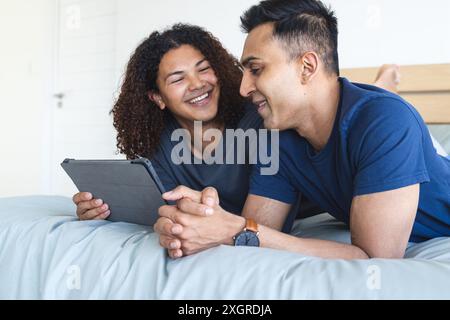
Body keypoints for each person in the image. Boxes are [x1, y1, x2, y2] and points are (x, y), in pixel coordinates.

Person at [156, 0, 450, 260]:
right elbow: (254, 233)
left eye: (256, 70)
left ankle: (386, 80)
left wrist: (235, 229)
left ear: (307, 67)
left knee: (385, 111)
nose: (243, 89)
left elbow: (375, 258)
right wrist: (199, 221)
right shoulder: (277, 137)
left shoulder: (385, 120)